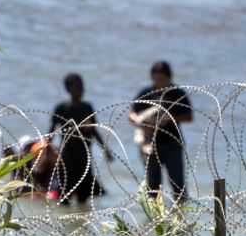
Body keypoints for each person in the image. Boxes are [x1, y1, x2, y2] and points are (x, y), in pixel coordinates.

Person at [128, 61, 193, 201]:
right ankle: (155, 219)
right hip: (150, 145)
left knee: (178, 185)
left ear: (169, 78)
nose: (159, 82)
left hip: (172, 143)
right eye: (156, 79)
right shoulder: (147, 93)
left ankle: (179, 215)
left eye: (162, 79)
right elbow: (132, 113)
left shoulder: (177, 94)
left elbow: (189, 116)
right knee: (153, 187)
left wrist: (169, 119)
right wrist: (142, 121)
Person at [48, 73, 113, 204]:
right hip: (67, 157)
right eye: (77, 86)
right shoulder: (62, 108)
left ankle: (82, 222)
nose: (81, 89)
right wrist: (47, 150)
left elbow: (94, 131)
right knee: (64, 198)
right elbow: (52, 131)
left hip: (84, 157)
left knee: (83, 198)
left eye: (82, 86)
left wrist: (105, 149)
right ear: (68, 88)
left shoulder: (86, 107)